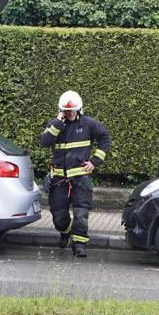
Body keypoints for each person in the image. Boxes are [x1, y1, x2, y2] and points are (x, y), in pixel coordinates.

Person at [40, 90, 111, 257]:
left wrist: (94, 161)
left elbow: (105, 138)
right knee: (58, 217)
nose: (70, 113)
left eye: (72, 111)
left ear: (79, 110)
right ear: (61, 111)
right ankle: (65, 232)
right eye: (66, 111)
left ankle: (79, 245)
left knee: (81, 214)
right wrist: (58, 123)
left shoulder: (88, 124)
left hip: (80, 179)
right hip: (59, 180)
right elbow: (44, 142)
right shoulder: (54, 125)